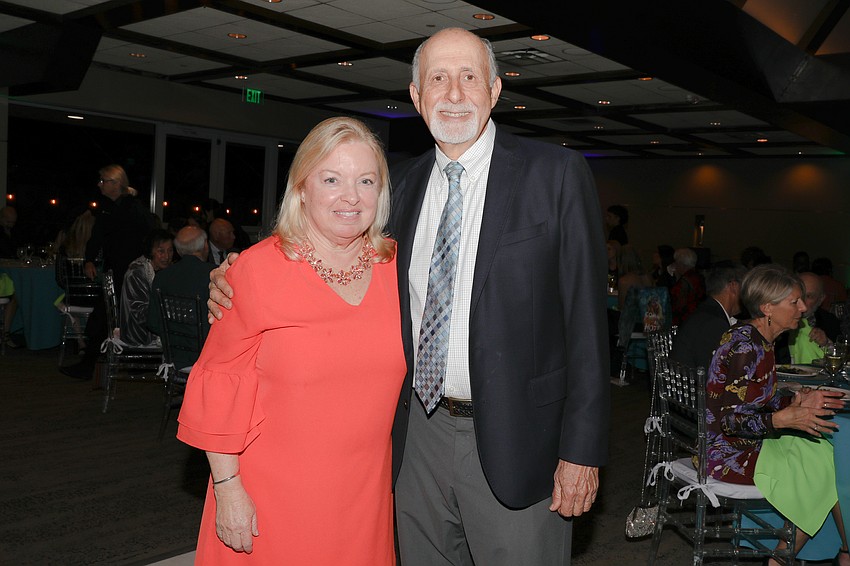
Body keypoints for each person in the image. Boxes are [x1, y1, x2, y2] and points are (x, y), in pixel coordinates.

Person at [209, 27, 610, 566]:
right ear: (417, 97)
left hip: (522, 440)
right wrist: (237, 275)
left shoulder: (554, 174)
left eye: (469, 77)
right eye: (437, 79)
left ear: (495, 90)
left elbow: (587, 325)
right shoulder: (397, 186)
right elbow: (327, 247)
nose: (454, 93)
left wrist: (581, 451)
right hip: (413, 437)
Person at [177, 117, 405, 564]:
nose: (351, 196)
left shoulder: (399, 268)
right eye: (331, 179)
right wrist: (227, 489)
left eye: (366, 180)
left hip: (364, 497)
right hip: (271, 498)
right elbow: (219, 380)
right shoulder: (257, 270)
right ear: (301, 189)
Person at [704, 264, 849, 565]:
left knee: (823, 454)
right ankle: (785, 559)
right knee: (821, 465)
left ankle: (785, 556)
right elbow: (729, 421)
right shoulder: (745, 345)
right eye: (794, 301)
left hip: (746, 442)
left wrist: (796, 400)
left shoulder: (760, 339)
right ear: (767, 307)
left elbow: (758, 400)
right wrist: (781, 419)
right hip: (725, 453)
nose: (803, 307)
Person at [61, 165, 153, 379]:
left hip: (129, 273)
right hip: (117, 271)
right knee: (108, 317)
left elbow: (148, 236)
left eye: (103, 180)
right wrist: (89, 260)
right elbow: (97, 236)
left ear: (116, 183)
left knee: (111, 316)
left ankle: (97, 365)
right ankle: (100, 364)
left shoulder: (133, 208)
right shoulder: (108, 208)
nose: (99, 184)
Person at [147, 225, 213, 369]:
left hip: (175, 356)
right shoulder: (214, 275)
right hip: (208, 357)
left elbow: (153, 322)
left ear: (178, 250)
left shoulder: (162, 277)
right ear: (205, 245)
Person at [671, 262, 745, 369]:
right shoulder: (714, 323)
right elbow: (718, 372)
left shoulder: (707, 312)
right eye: (745, 287)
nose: (748, 293)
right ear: (733, 286)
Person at [119, 229, 173, 347]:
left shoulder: (161, 270)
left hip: (149, 326)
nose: (167, 256)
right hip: (138, 334)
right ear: (150, 251)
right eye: (161, 251)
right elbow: (140, 313)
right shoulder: (136, 273)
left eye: (170, 250)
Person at [787, 271, 841, 364]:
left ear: (820, 299)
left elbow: (840, 357)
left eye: (808, 296)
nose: (802, 301)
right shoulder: (778, 319)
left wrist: (825, 343)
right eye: (799, 294)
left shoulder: (830, 321)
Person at [669, 247, 705, 325]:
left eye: (676, 262)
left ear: (681, 264)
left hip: (685, 321)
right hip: (699, 318)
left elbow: (676, 305)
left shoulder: (683, 282)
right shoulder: (700, 277)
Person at [616, 245, 652, 311]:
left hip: (633, 316)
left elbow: (622, 307)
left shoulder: (624, 281)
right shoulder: (648, 277)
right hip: (649, 315)